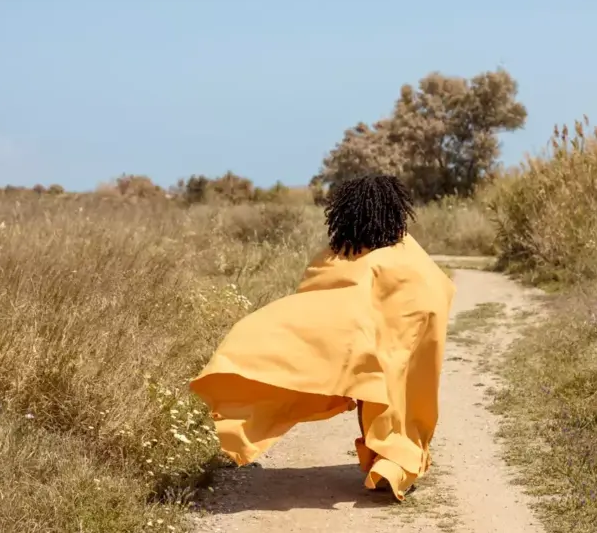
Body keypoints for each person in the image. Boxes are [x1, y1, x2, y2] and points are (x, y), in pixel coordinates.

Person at [189, 173, 456, 501]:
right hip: (405, 334)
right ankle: (394, 462)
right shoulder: (407, 251)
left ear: (345, 212)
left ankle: (383, 460)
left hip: (363, 341)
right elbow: (437, 288)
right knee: (401, 395)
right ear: (396, 210)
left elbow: (313, 295)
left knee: (369, 392)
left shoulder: (339, 253)